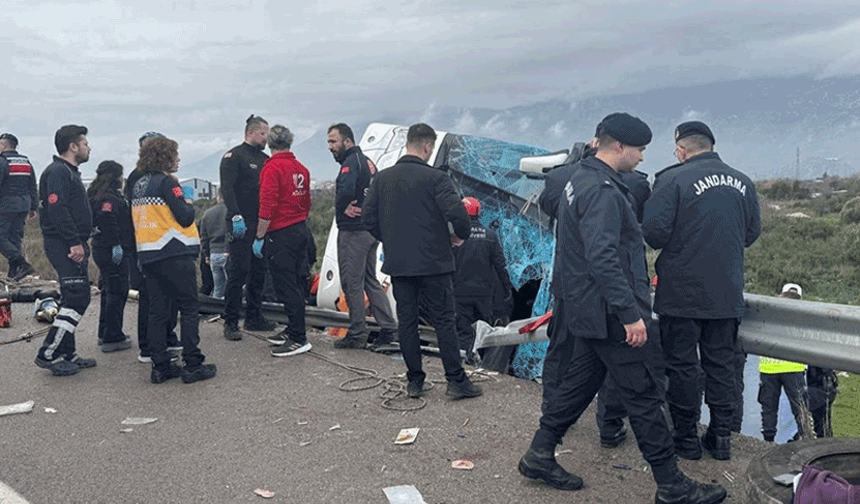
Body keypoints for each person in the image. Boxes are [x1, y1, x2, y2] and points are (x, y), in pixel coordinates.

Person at [518, 113, 726, 504]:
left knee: (580, 383)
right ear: (619, 147)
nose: (644, 158)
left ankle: (539, 454)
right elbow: (604, 257)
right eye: (640, 150)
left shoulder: (580, 178)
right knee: (644, 394)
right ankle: (671, 485)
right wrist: (630, 313)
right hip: (611, 313)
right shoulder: (604, 191)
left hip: (585, 308)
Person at [642, 120, 761, 461]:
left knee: (682, 367)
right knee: (721, 366)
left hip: (681, 294)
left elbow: (654, 234)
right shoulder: (743, 181)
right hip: (726, 293)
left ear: (681, 150)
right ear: (711, 145)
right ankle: (721, 437)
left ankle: (686, 440)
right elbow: (751, 233)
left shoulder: (672, 179)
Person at [362, 123, 482, 401]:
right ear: (426, 147)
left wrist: (389, 239)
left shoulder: (382, 179)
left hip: (400, 263)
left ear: (408, 143)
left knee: (406, 322)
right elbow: (459, 215)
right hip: (435, 264)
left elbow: (368, 219)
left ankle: (415, 382)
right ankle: (456, 382)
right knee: (444, 322)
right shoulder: (436, 179)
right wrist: (459, 238)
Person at [130, 136, 215, 383]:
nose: (178, 159)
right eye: (175, 155)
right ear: (165, 157)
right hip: (174, 251)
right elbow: (185, 217)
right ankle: (192, 364)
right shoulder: (167, 183)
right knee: (188, 308)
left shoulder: (139, 184)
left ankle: (160, 366)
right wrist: (188, 203)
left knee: (157, 311)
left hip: (149, 254)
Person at [327, 123, 398, 350]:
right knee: (369, 280)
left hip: (354, 231)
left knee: (352, 282)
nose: (330, 147)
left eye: (333, 141)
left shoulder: (350, 163)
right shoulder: (368, 162)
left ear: (347, 141)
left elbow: (345, 192)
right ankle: (388, 328)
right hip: (369, 230)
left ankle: (357, 333)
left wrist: (342, 207)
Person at [34, 125, 98, 376]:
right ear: (73, 146)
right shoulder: (59, 172)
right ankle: (48, 353)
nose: (88, 147)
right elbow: (57, 210)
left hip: (72, 242)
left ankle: (67, 353)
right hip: (64, 245)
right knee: (78, 298)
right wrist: (74, 242)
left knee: (72, 297)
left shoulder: (69, 172)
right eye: (85, 143)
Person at [252, 125, 312, 357]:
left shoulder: (272, 168)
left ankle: (298, 337)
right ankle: (294, 328)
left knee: (285, 285)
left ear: (269, 143)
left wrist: (259, 236)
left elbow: (267, 206)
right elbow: (307, 202)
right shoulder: (301, 169)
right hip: (300, 229)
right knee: (296, 283)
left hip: (281, 232)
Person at [220, 115, 275, 340]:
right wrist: (234, 215)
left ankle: (254, 317)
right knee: (238, 272)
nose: (266, 138)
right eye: (263, 134)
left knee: (259, 272)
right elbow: (228, 189)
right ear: (251, 132)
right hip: (240, 222)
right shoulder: (233, 157)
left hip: (260, 224)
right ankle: (231, 322)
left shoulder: (264, 159)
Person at [127, 132, 181, 363]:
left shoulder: (146, 178)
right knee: (151, 300)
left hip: (154, 244)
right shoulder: (142, 179)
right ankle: (149, 346)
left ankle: (164, 338)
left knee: (162, 299)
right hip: (151, 245)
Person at [453, 196, 513, 363]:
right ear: (479, 213)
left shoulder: (455, 235)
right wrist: (507, 288)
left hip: (460, 290)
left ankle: (464, 360)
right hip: (483, 293)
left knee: (463, 328)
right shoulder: (490, 235)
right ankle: (478, 358)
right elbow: (501, 265)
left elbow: (446, 261)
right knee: (481, 328)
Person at [88, 160, 134, 353]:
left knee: (108, 290)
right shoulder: (108, 198)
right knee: (118, 291)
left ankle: (105, 331)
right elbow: (108, 221)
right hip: (111, 249)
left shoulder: (96, 194)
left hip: (101, 248)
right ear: (115, 176)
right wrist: (116, 244)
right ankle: (112, 336)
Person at [757, 283, 811, 442]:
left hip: (769, 368)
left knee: (768, 409)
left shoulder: (769, 312)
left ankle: (767, 443)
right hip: (794, 367)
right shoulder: (806, 314)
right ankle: (805, 440)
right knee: (800, 408)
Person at [0, 132, 37, 281]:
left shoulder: (2, 161)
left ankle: (22, 263)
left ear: (3, 145)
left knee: (1, 237)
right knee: (14, 238)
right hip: (24, 205)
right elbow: (32, 185)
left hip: (6, 205)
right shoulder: (25, 162)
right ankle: (14, 273)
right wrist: (33, 206)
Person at [199, 190, 230, 299]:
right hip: (228, 253)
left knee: (218, 288)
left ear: (217, 196)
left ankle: (215, 310)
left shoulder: (207, 213)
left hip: (214, 254)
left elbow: (204, 237)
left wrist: (206, 254)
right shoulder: (232, 211)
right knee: (231, 287)